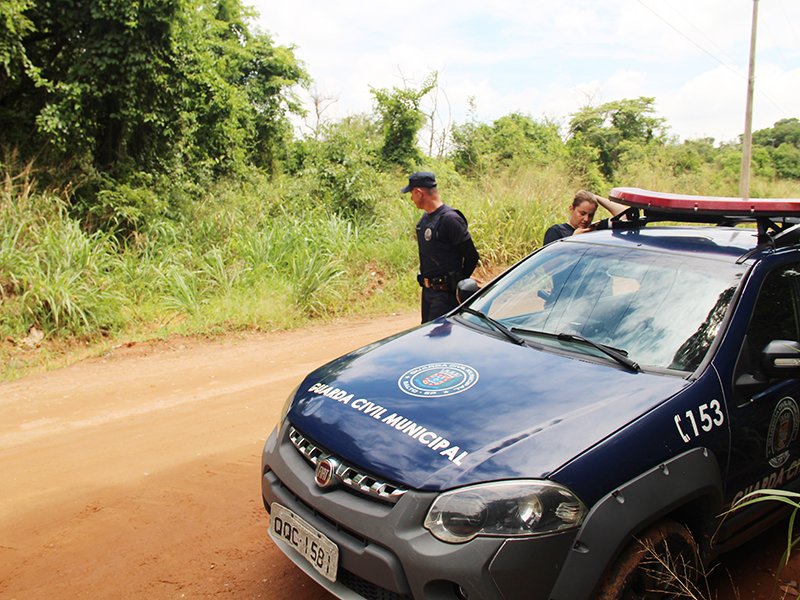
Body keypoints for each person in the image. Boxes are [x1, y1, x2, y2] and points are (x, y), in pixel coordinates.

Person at [402, 171, 480, 323]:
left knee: (440, 334)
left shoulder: (450, 219)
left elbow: (471, 256)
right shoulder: (424, 221)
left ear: (419, 193)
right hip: (428, 295)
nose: (411, 198)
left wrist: (458, 282)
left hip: (446, 297)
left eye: (411, 193)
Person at [543, 190, 628, 245]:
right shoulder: (557, 231)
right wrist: (573, 239)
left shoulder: (594, 228)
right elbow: (550, 263)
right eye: (582, 213)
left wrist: (595, 197)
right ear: (571, 208)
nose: (586, 219)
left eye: (590, 215)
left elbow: (625, 216)